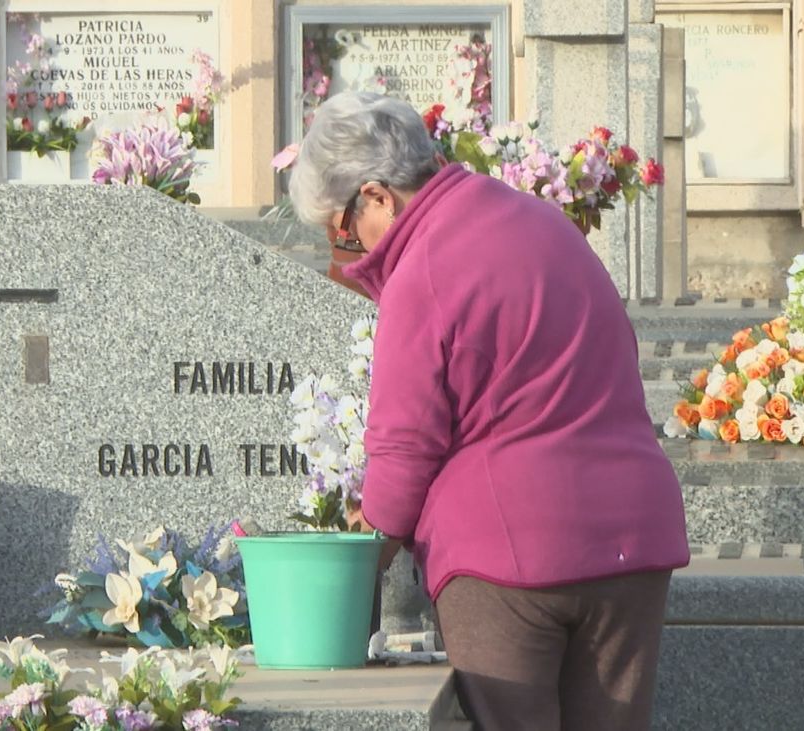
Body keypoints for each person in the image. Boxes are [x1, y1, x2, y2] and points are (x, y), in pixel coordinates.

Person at [288, 91, 690, 730]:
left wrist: (355, 558)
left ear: (377, 197)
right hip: (632, 542)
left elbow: (403, 450)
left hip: (507, 560)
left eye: (341, 230)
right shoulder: (542, 221)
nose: (347, 251)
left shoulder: (422, 268)